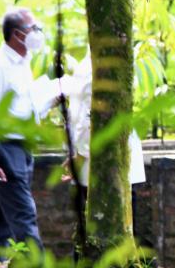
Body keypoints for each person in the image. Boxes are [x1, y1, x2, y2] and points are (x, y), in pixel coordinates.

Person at [0, 8, 51, 264]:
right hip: (5, 147)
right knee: (23, 210)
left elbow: (22, 107)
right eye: (33, 29)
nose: (37, 34)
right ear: (18, 35)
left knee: (2, 211)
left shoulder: (23, 63)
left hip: (22, 147)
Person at [59, 51, 145, 195]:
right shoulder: (117, 65)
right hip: (111, 157)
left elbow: (89, 118)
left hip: (100, 160)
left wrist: (80, 155)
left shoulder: (92, 69)